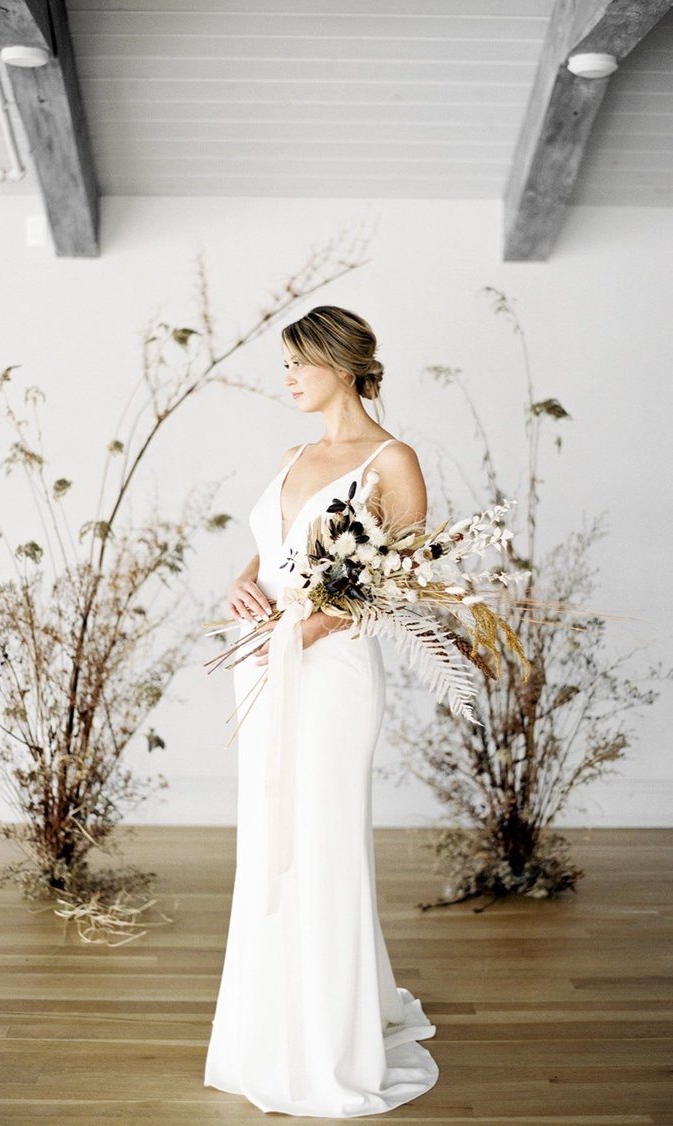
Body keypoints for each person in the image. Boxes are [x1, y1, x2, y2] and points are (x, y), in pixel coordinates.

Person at [203, 305, 439, 1116]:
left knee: (323, 837)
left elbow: (395, 576)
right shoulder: (294, 452)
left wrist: (305, 629)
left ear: (342, 363)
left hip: (327, 666)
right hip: (264, 658)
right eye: (286, 366)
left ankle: (329, 1044)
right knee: (269, 836)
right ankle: (267, 1028)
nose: (289, 378)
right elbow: (273, 546)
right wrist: (243, 581)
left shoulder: (390, 458)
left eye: (299, 363)